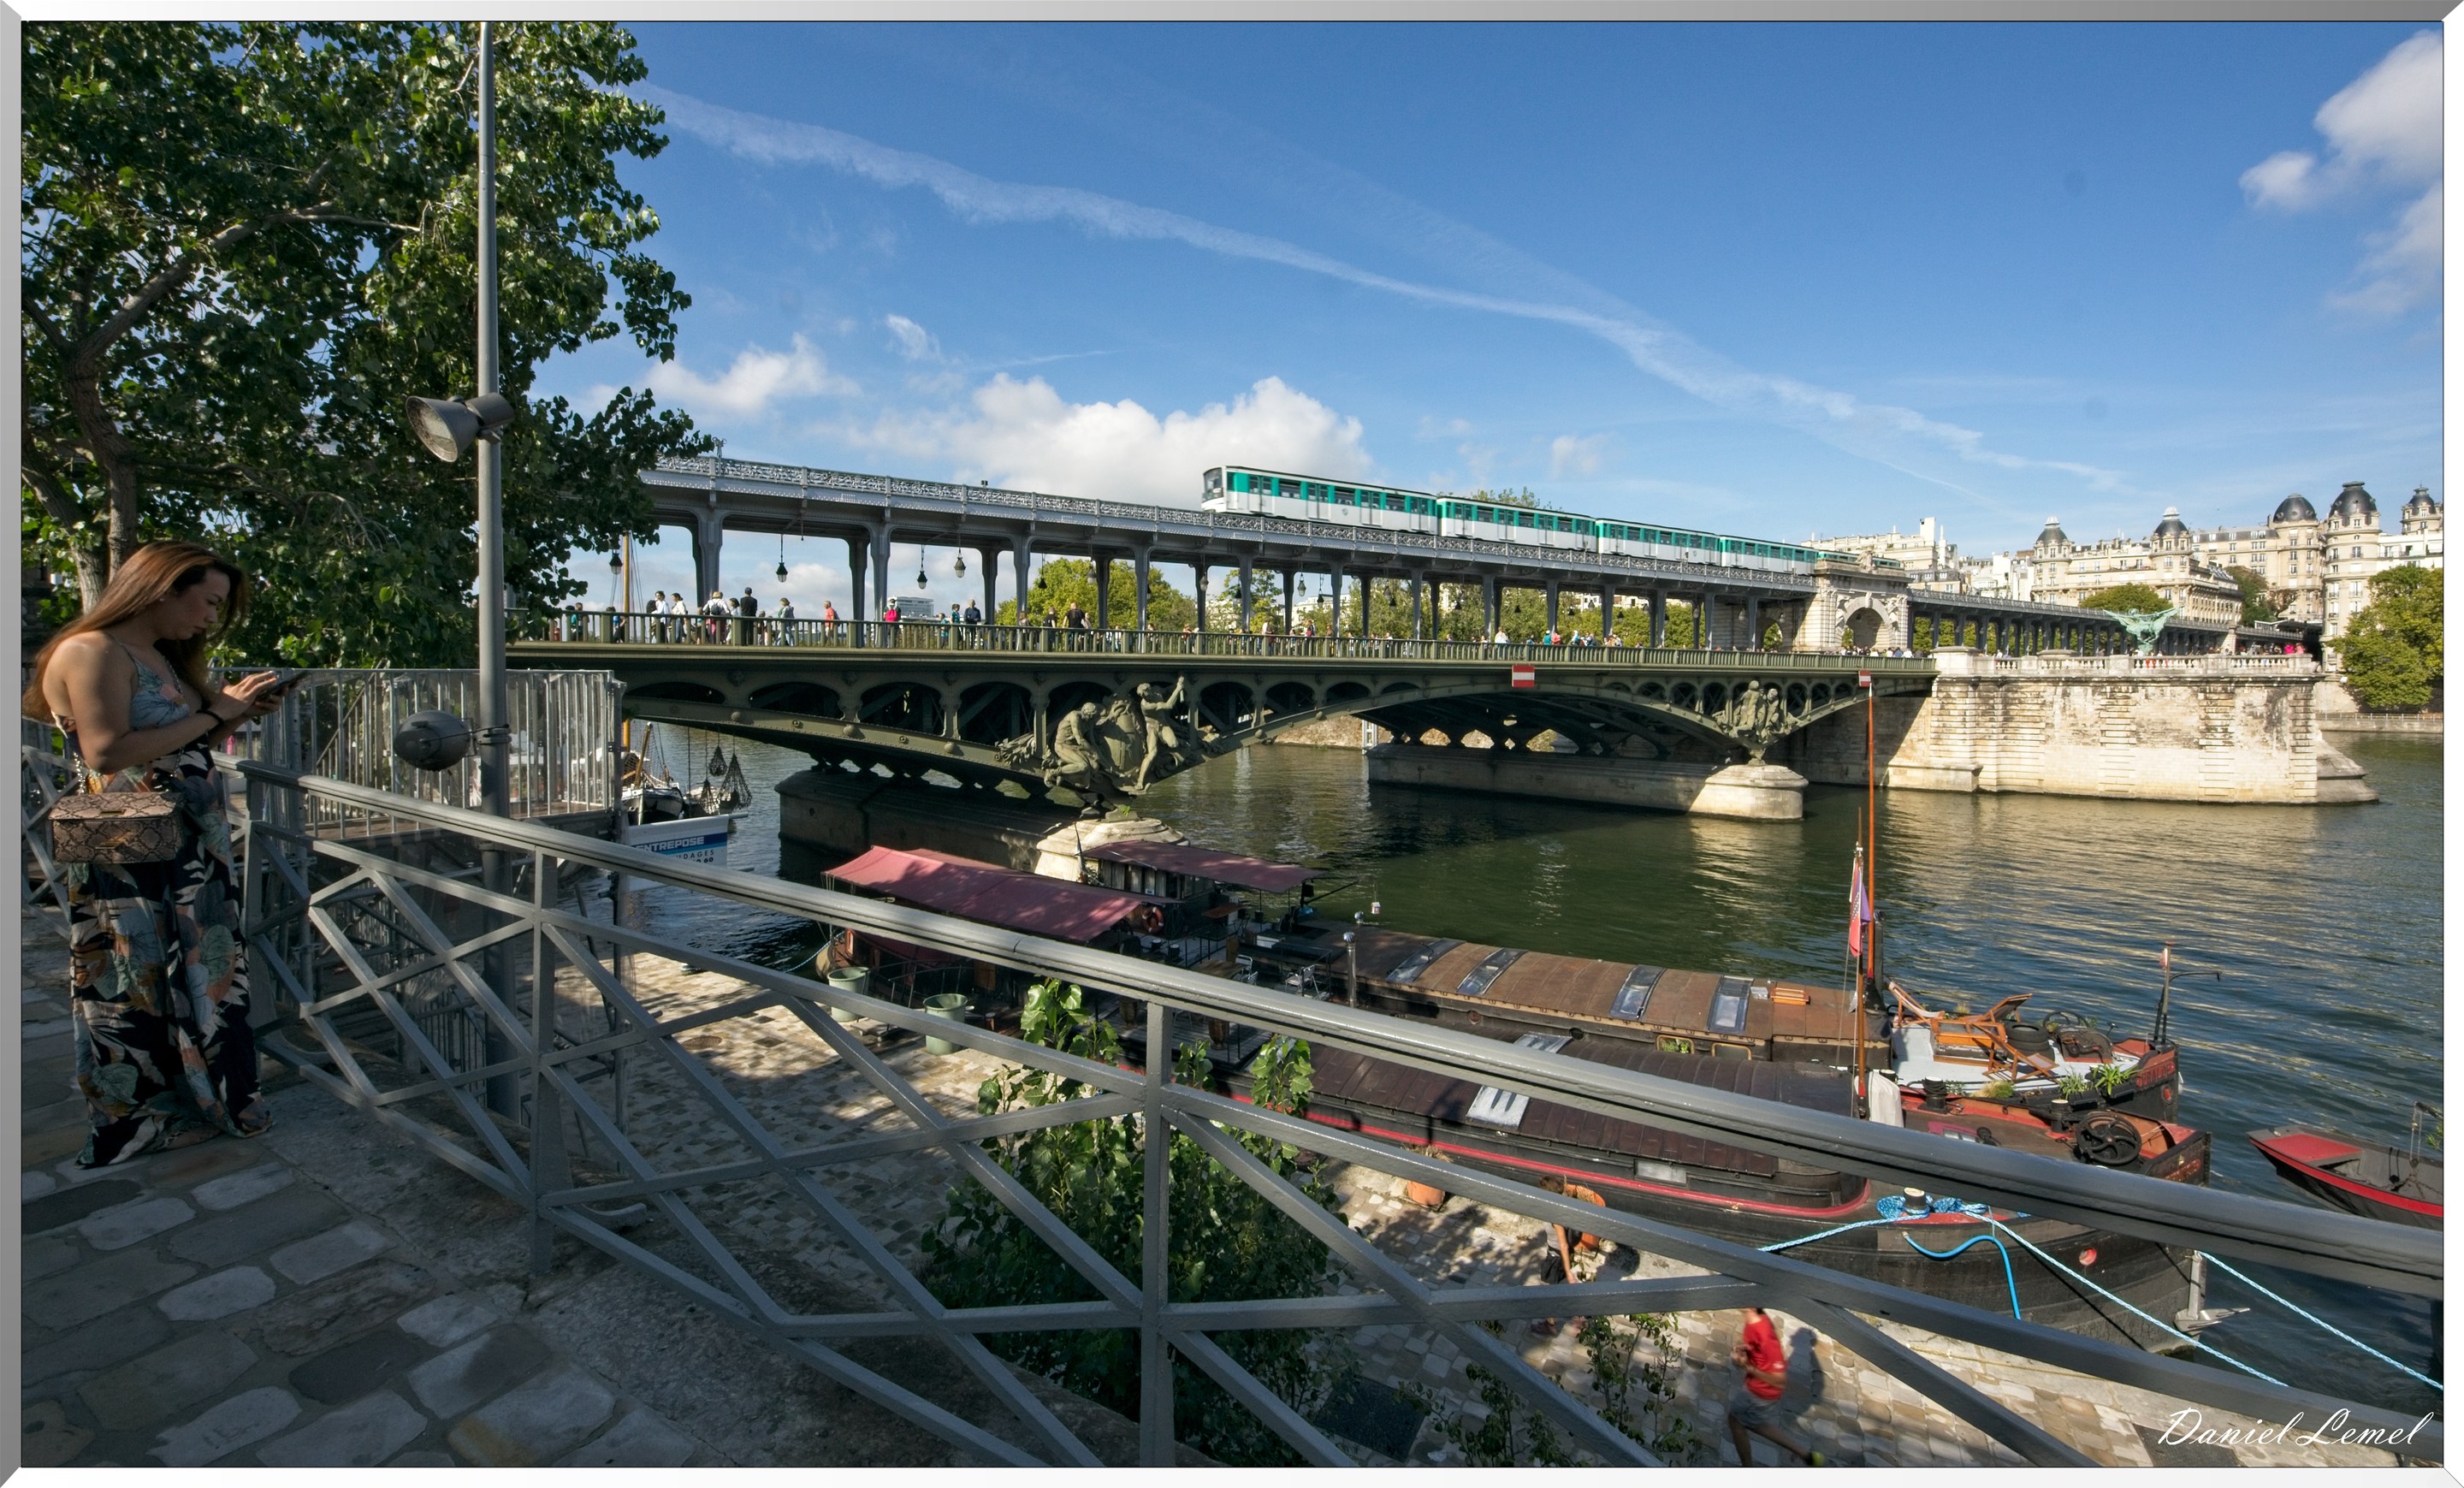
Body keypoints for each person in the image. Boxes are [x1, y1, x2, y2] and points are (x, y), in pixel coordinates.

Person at [23, 541, 293, 1166]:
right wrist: (216, 711)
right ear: (164, 586)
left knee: (195, 967)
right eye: (208, 602)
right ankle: (142, 1118)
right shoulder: (91, 651)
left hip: (186, 841)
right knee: (135, 975)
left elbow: (174, 745)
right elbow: (107, 753)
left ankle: (203, 1096)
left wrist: (232, 715)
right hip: (130, 840)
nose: (208, 619)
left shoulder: (156, 655)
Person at [1727, 1307, 1823, 1466]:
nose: (1791, 1338)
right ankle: (1807, 1456)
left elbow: (1780, 1381)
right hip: (1758, 1387)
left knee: (1735, 1422)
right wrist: (1746, 1351)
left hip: (1759, 1392)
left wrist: (1748, 1368)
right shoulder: (1756, 1320)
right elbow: (1760, 1353)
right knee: (1754, 1422)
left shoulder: (1766, 1336)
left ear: (1751, 1306)